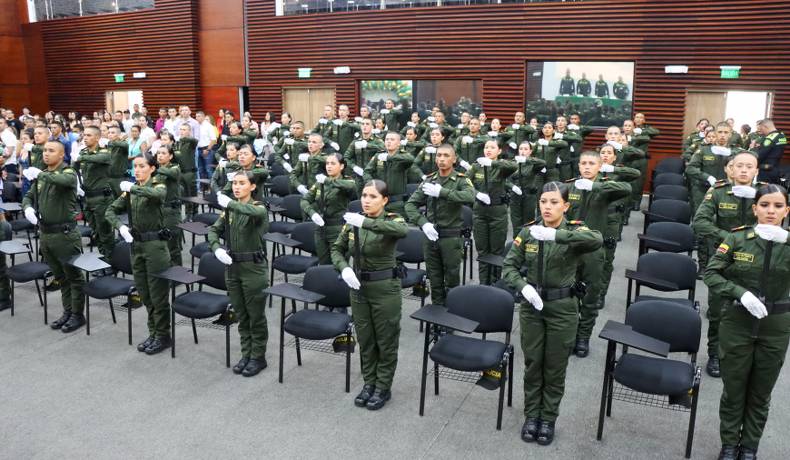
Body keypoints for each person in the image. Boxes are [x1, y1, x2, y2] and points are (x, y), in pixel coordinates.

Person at [502, 181, 603, 446]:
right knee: (533, 363)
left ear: (566, 205)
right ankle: (532, 415)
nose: (547, 207)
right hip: (532, 307)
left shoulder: (576, 231)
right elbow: (509, 268)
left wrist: (557, 236)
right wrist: (523, 288)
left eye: (554, 202)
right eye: (544, 202)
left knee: (555, 366)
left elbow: (597, 240)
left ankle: (548, 418)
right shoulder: (529, 232)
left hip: (563, 309)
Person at [704, 184, 790, 460]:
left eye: (778, 206)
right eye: (764, 205)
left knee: (760, 392)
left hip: (775, 327)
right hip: (738, 321)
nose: (770, 211)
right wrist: (740, 294)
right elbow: (712, 274)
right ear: (755, 209)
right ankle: (729, 444)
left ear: (787, 211)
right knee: (734, 388)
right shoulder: (737, 238)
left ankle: (750, 447)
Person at [331, 179, 408, 410]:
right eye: (364, 195)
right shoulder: (351, 223)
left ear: (384, 200)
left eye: (372, 196)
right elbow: (336, 249)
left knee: (386, 340)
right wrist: (343, 267)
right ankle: (369, 383)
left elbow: (402, 231)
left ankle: (383, 386)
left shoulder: (393, 220)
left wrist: (365, 222)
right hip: (358, 288)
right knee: (366, 339)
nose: (366, 200)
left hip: (385, 289)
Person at [693, 151, 761, 378]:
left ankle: (745, 355)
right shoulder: (719, 192)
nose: (743, 170)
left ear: (756, 171)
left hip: (757, 261)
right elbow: (700, 222)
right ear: (731, 169)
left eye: (749, 166)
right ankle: (715, 354)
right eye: (739, 165)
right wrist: (728, 238)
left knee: (755, 308)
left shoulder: (764, 194)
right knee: (719, 310)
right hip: (724, 257)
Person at [565, 150, 631, 357]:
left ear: (600, 166)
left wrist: (595, 186)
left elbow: (627, 187)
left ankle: (583, 337)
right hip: (570, 249)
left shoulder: (606, 188)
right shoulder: (568, 187)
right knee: (567, 295)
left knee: (590, 297)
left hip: (594, 251)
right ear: (578, 166)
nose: (586, 167)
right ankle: (569, 335)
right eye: (583, 163)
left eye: (591, 163)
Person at [106, 152, 172, 355]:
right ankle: (153, 332)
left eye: (142, 166)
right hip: (137, 246)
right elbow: (110, 211)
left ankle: (163, 335)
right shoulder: (131, 191)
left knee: (157, 294)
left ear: (152, 169)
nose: (137, 170)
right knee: (144, 292)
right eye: (135, 166)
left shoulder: (157, 185)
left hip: (155, 247)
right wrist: (120, 227)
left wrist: (133, 188)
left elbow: (158, 196)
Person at [209, 171, 270, 377]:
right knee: (241, 315)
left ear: (252, 187)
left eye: (242, 183)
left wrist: (229, 204)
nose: (236, 187)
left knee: (255, 316)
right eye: (234, 183)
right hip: (232, 267)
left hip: (253, 268)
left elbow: (253, 213)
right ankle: (247, 353)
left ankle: (258, 356)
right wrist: (216, 248)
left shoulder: (258, 207)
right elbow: (213, 231)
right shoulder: (230, 210)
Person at [21, 141, 85, 332]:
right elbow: (28, 196)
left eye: (51, 151)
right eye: (45, 151)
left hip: (64, 235)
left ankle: (77, 314)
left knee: (73, 276)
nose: (46, 154)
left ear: (61, 154)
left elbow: (62, 182)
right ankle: (68, 311)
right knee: (60, 277)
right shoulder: (43, 175)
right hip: (46, 234)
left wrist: (40, 174)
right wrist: (28, 208)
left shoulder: (68, 173)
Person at [405, 144, 475, 305]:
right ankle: (437, 318)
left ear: (454, 159)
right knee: (434, 279)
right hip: (431, 236)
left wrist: (442, 192)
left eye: (446, 156)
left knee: (451, 280)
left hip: (451, 238)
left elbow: (470, 197)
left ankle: (450, 317)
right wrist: (423, 223)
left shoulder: (460, 180)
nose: (442, 159)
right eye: (439, 156)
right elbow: (410, 205)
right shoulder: (429, 180)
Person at [469, 140, 516, 285]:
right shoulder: (476, 167)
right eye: (486, 147)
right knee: (482, 250)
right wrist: (477, 193)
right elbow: (465, 184)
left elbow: (513, 166)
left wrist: (493, 163)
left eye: (492, 147)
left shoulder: (501, 166)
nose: (488, 150)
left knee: (496, 251)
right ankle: (483, 284)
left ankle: (494, 285)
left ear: (499, 151)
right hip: (480, 212)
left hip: (498, 213)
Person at [301, 153, 356, 264]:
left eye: (333, 163)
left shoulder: (347, 181)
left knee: (338, 264)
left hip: (338, 229)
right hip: (321, 228)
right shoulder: (320, 182)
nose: (329, 166)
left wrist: (327, 181)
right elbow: (304, 200)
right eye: (327, 163)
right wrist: (312, 213)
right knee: (323, 263)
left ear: (341, 166)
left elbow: (351, 187)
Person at [76, 125, 116, 258]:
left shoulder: (104, 152)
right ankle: (103, 257)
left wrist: (82, 157)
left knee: (105, 232)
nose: (85, 138)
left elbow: (101, 159)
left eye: (89, 135)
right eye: (84, 135)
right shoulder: (83, 153)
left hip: (102, 199)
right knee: (95, 232)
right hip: (88, 198)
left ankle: (111, 261)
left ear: (98, 137)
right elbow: (74, 167)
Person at [363, 132, 414, 214]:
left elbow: (411, 159)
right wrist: (372, 184)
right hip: (379, 201)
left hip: (397, 203)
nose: (388, 141)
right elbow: (367, 172)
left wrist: (389, 157)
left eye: (392, 140)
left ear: (399, 143)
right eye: (387, 139)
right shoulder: (379, 155)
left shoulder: (403, 156)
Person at [507, 141, 547, 230]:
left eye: (526, 149)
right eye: (521, 149)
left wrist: (527, 159)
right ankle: (516, 242)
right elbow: (505, 179)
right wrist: (512, 187)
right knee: (516, 223)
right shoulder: (512, 163)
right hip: (515, 196)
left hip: (529, 196)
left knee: (528, 223)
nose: (523, 151)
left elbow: (543, 163)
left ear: (530, 151)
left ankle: (527, 242)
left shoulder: (533, 164)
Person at [154, 144, 183, 266]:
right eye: (158, 153)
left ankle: (177, 276)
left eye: (163, 153)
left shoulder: (175, 168)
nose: (160, 156)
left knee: (172, 246)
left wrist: (152, 166)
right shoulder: (156, 170)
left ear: (171, 156)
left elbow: (171, 174)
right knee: (160, 244)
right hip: (157, 211)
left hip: (171, 212)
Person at [174, 123, 199, 218]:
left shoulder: (191, 143)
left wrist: (183, 138)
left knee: (192, 193)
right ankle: (188, 214)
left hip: (190, 172)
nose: (182, 131)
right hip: (181, 172)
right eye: (180, 129)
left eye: (184, 129)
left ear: (189, 131)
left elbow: (195, 140)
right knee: (184, 195)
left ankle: (195, 213)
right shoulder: (177, 143)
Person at [752, 118, 786, 184]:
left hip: (765, 171)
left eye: (761, 129)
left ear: (765, 127)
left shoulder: (769, 138)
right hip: (776, 169)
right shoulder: (782, 136)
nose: (762, 132)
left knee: (764, 191)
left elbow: (759, 155)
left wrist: (753, 148)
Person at [106, 125, 130, 195]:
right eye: (109, 132)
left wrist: (117, 140)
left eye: (113, 133)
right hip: (109, 178)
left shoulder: (123, 144)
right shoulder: (109, 143)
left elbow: (126, 145)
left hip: (120, 178)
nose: (110, 134)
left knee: (122, 201)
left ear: (119, 134)